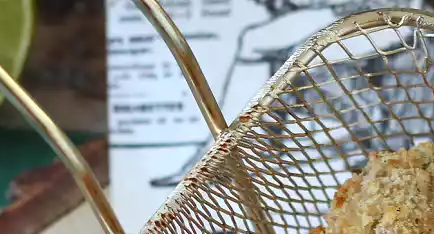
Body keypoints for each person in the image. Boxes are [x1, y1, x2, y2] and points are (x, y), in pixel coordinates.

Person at [152, 0, 369, 188]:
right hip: (345, 12)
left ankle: (220, 154)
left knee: (258, 44)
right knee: (262, 48)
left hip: (375, 15)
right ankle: (227, 151)